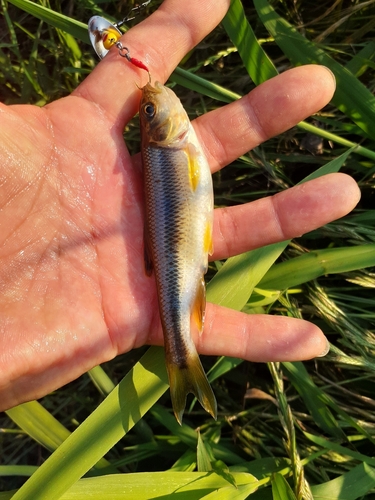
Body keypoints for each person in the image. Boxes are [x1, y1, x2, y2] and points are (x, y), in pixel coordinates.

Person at [0, 0, 360, 412]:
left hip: (179, 244)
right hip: (180, 251)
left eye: (147, 111)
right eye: (151, 111)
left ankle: (181, 355)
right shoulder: (172, 149)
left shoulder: (167, 150)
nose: (149, 103)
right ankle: (182, 357)